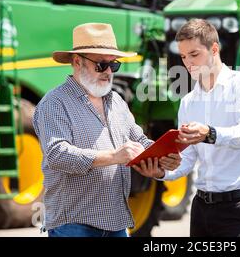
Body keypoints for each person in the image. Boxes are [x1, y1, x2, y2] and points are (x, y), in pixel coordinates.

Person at [33, 23, 180, 237]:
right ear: (77, 62)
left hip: (116, 223)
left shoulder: (117, 101)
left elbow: (139, 140)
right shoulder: (55, 103)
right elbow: (57, 154)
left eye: (114, 65)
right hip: (74, 225)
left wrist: (161, 160)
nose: (109, 72)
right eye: (102, 65)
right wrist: (113, 156)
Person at [135, 19, 240, 237]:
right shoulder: (188, 102)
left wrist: (210, 133)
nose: (188, 63)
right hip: (202, 209)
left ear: (214, 49)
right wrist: (161, 171)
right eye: (184, 57)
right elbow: (187, 159)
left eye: (194, 55)